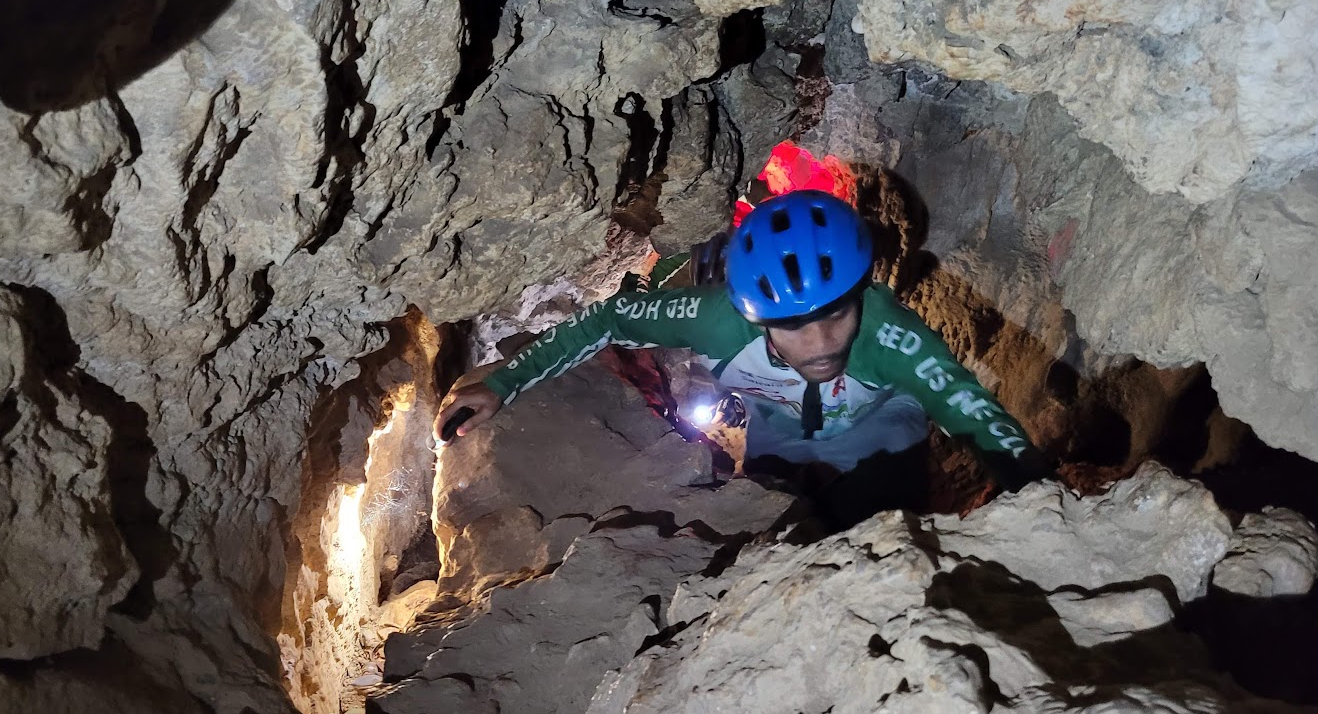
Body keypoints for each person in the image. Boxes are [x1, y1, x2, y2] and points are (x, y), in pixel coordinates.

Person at [434, 190, 1051, 506]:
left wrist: (1035, 490)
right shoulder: (717, 321)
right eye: (792, 326)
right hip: (775, 439)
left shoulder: (889, 333)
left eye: (837, 314)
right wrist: (504, 383)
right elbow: (609, 319)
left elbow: (970, 410)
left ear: (861, 292)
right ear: (753, 317)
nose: (820, 344)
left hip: (881, 441)